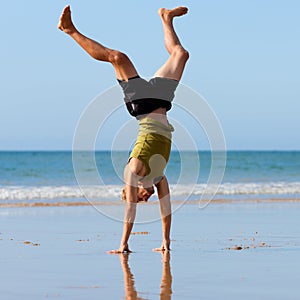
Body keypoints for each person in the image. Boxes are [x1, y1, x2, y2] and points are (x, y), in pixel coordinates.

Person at [58, 5, 189, 253]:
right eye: (145, 197)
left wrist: (123, 244)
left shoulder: (133, 172)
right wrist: (166, 242)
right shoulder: (159, 177)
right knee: (181, 55)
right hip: (161, 103)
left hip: (141, 106)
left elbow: (129, 210)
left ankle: (69, 30)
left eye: (141, 197)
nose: (145, 198)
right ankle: (166, 17)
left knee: (118, 57)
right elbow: (166, 207)